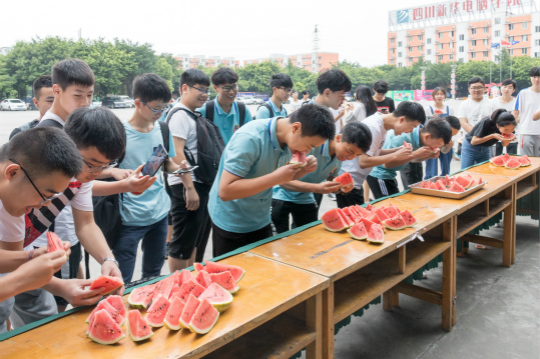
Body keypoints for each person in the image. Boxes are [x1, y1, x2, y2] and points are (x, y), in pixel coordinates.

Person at [209, 104, 336, 256]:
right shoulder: (250, 139)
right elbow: (225, 191)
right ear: (295, 128)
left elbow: (283, 179)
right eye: (309, 146)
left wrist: (302, 171)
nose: (308, 151)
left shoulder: (290, 142)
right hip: (232, 220)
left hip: (261, 218)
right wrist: (276, 177)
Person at [0, 126, 87, 333]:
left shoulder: (16, 202)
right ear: (13, 172)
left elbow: (7, 260)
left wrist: (33, 258)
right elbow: (14, 277)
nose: (44, 205)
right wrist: (20, 280)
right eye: (45, 194)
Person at [114, 73, 185, 283]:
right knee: (122, 279)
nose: (160, 113)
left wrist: (179, 169)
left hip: (160, 214)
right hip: (129, 218)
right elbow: (105, 171)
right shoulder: (119, 134)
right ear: (138, 103)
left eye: (164, 108)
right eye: (156, 109)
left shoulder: (162, 129)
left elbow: (165, 164)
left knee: (153, 275)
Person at [271, 121, 372, 233]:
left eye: (356, 155)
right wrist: (317, 188)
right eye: (349, 151)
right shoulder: (311, 146)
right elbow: (282, 181)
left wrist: (340, 188)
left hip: (306, 198)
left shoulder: (339, 157)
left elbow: (330, 179)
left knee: (307, 238)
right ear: (338, 138)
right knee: (279, 240)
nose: (351, 157)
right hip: (280, 196)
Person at [166, 69, 216, 271]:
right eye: (200, 89)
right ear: (184, 88)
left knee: (193, 241)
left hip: (198, 183)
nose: (204, 94)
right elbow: (176, 155)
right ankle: (178, 288)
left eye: (207, 90)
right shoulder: (179, 115)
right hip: (185, 185)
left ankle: (189, 283)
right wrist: (189, 188)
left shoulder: (191, 115)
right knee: (182, 243)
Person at [335, 102, 424, 208]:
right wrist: (395, 156)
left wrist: (397, 150)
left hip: (355, 182)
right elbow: (364, 161)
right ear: (402, 120)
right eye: (412, 127)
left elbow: (375, 151)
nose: (410, 131)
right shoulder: (374, 127)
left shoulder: (382, 125)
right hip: (348, 184)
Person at [367, 118, 453, 199]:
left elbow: (411, 159)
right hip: (379, 175)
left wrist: (428, 156)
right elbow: (387, 164)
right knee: (388, 206)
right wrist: (414, 154)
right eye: (437, 144)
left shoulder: (420, 137)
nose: (437, 147)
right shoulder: (402, 137)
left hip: (390, 175)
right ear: (427, 136)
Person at [197, 67, 252, 144]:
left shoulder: (243, 110)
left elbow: (250, 137)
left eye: (234, 86)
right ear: (215, 88)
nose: (232, 92)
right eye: (227, 88)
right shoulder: (204, 111)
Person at [423, 87, 457, 180]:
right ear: (433, 96)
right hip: (432, 142)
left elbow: (453, 126)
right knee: (431, 168)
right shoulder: (428, 109)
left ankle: (445, 183)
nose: (439, 96)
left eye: (441, 94)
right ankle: (429, 183)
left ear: (445, 96)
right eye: (437, 94)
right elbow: (425, 127)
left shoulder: (450, 109)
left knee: (446, 167)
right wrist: (432, 119)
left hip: (446, 141)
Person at [513, 67, 540, 157]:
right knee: (527, 162)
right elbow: (515, 113)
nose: (537, 79)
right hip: (527, 131)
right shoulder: (523, 93)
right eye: (534, 77)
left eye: (539, 77)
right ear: (530, 78)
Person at [491, 79, 518, 156]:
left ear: (513, 90)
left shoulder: (516, 102)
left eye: (510, 87)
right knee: (496, 159)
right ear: (501, 88)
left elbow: (520, 118)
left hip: (513, 136)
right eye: (504, 86)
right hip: (497, 136)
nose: (506, 89)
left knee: (512, 158)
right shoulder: (493, 102)